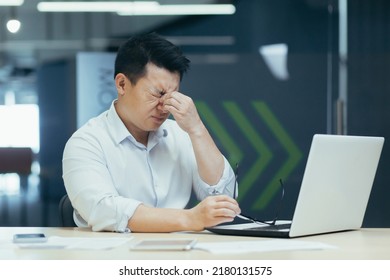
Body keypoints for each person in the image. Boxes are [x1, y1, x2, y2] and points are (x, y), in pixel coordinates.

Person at [62, 32, 240, 233]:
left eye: (173, 96)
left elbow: (224, 198)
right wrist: (190, 218)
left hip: (181, 255)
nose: (165, 107)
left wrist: (196, 128)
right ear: (122, 84)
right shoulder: (86, 142)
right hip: (114, 255)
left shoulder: (181, 134)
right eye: (158, 94)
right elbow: (104, 210)